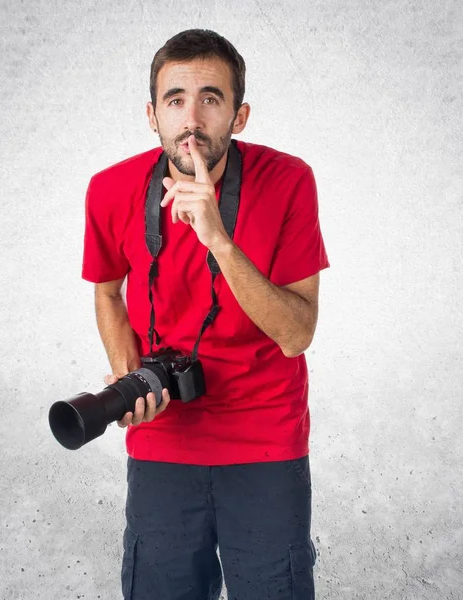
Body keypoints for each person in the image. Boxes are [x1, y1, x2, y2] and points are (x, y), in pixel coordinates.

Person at [82, 28, 329, 600]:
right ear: (152, 114)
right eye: (175, 100)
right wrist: (130, 376)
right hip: (163, 436)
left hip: (265, 437)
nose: (191, 118)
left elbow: (297, 334)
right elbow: (106, 291)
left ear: (239, 116)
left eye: (211, 99)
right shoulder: (110, 189)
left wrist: (219, 238)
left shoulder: (290, 181)